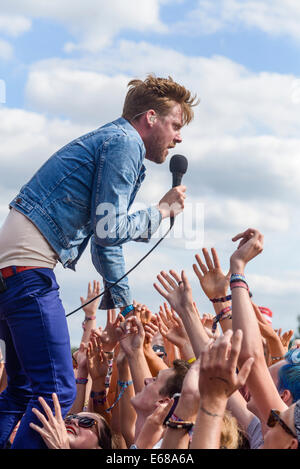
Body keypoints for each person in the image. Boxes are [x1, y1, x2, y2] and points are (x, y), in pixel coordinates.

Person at [0, 74, 198, 449]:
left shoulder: (113, 141)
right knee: (57, 389)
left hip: (13, 268)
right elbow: (110, 231)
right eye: (175, 125)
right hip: (28, 269)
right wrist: (159, 212)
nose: (179, 138)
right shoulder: (125, 144)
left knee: (22, 389)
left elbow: (103, 245)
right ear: (150, 118)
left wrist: (124, 306)